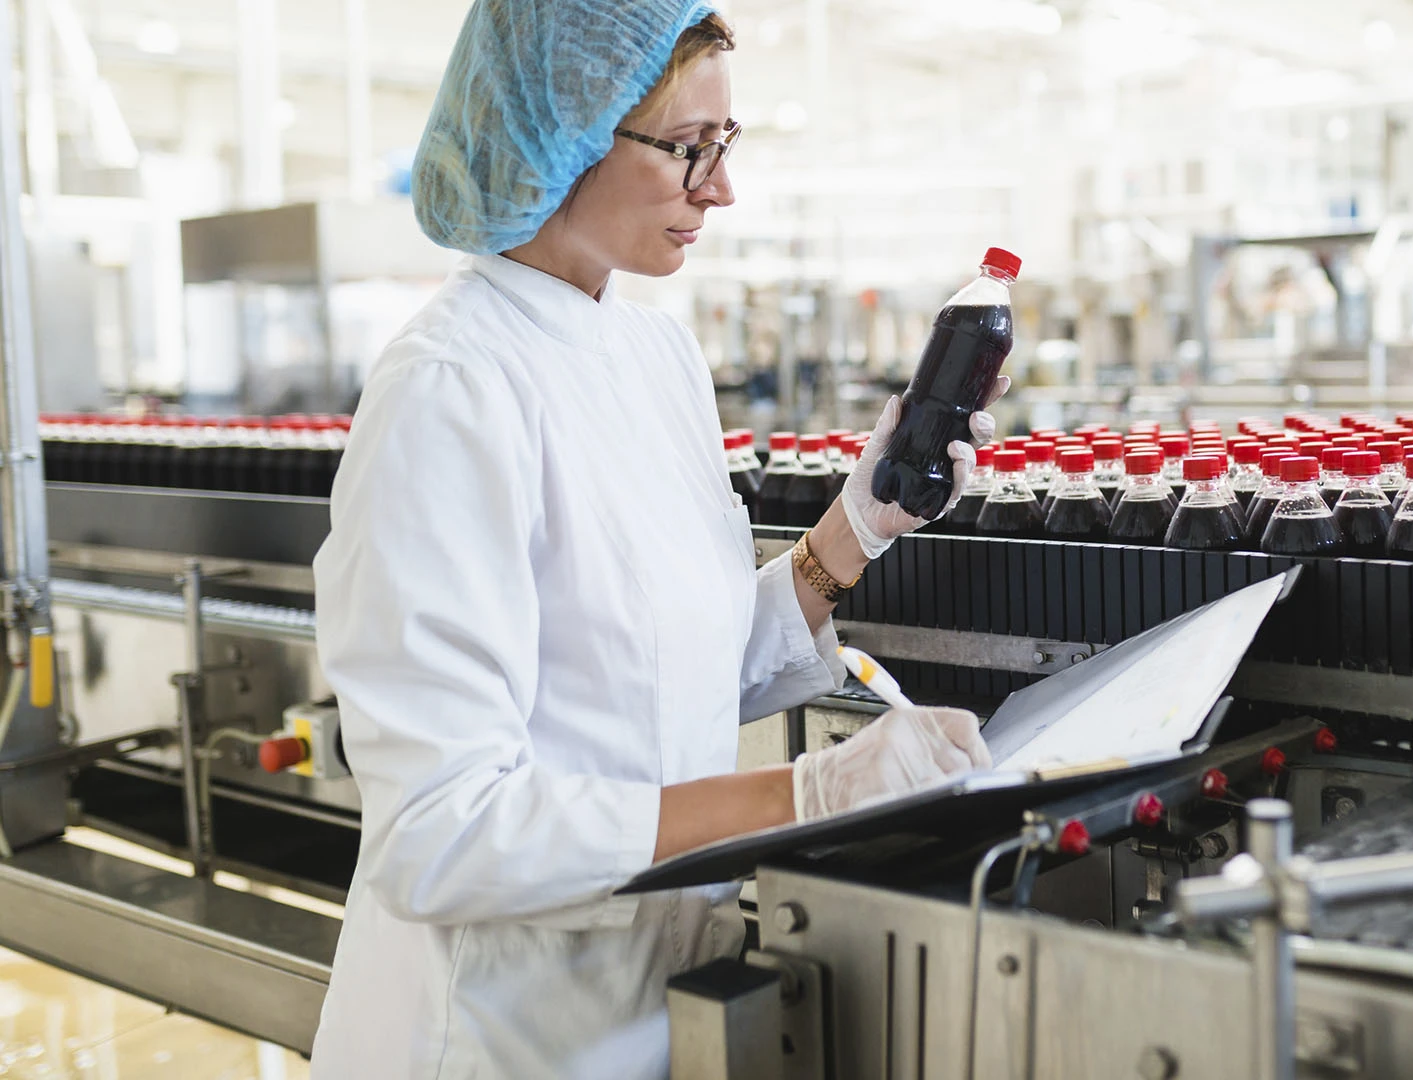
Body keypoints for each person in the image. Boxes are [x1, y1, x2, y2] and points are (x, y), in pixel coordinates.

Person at [306, 2, 1003, 1076]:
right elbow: (439, 835)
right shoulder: (450, 390)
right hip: (501, 1033)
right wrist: (804, 797)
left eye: (725, 146)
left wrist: (858, 527)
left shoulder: (653, 355)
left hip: (663, 1007)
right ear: (565, 133)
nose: (719, 189)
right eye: (688, 150)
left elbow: (672, 676)